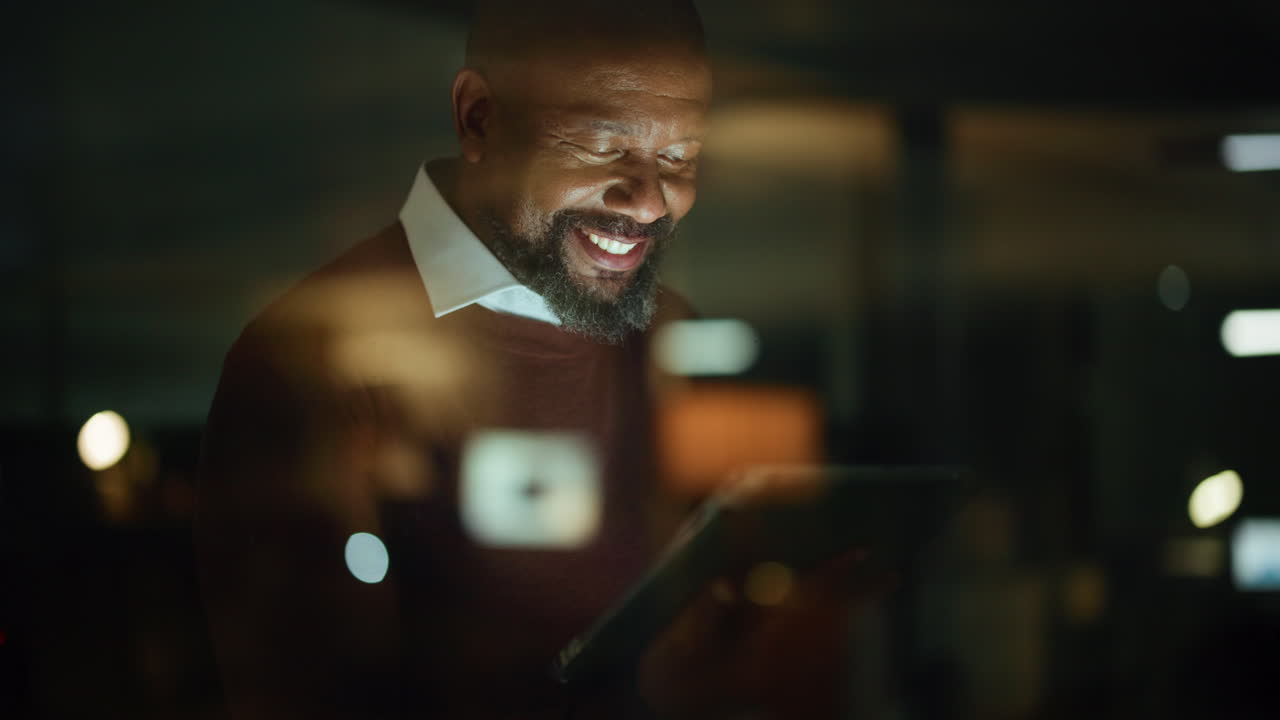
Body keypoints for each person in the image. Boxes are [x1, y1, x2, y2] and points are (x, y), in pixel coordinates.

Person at [195, 2, 877, 718]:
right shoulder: (308, 364)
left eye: (680, 158)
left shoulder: (671, 335)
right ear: (480, 118)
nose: (649, 201)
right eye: (603, 147)